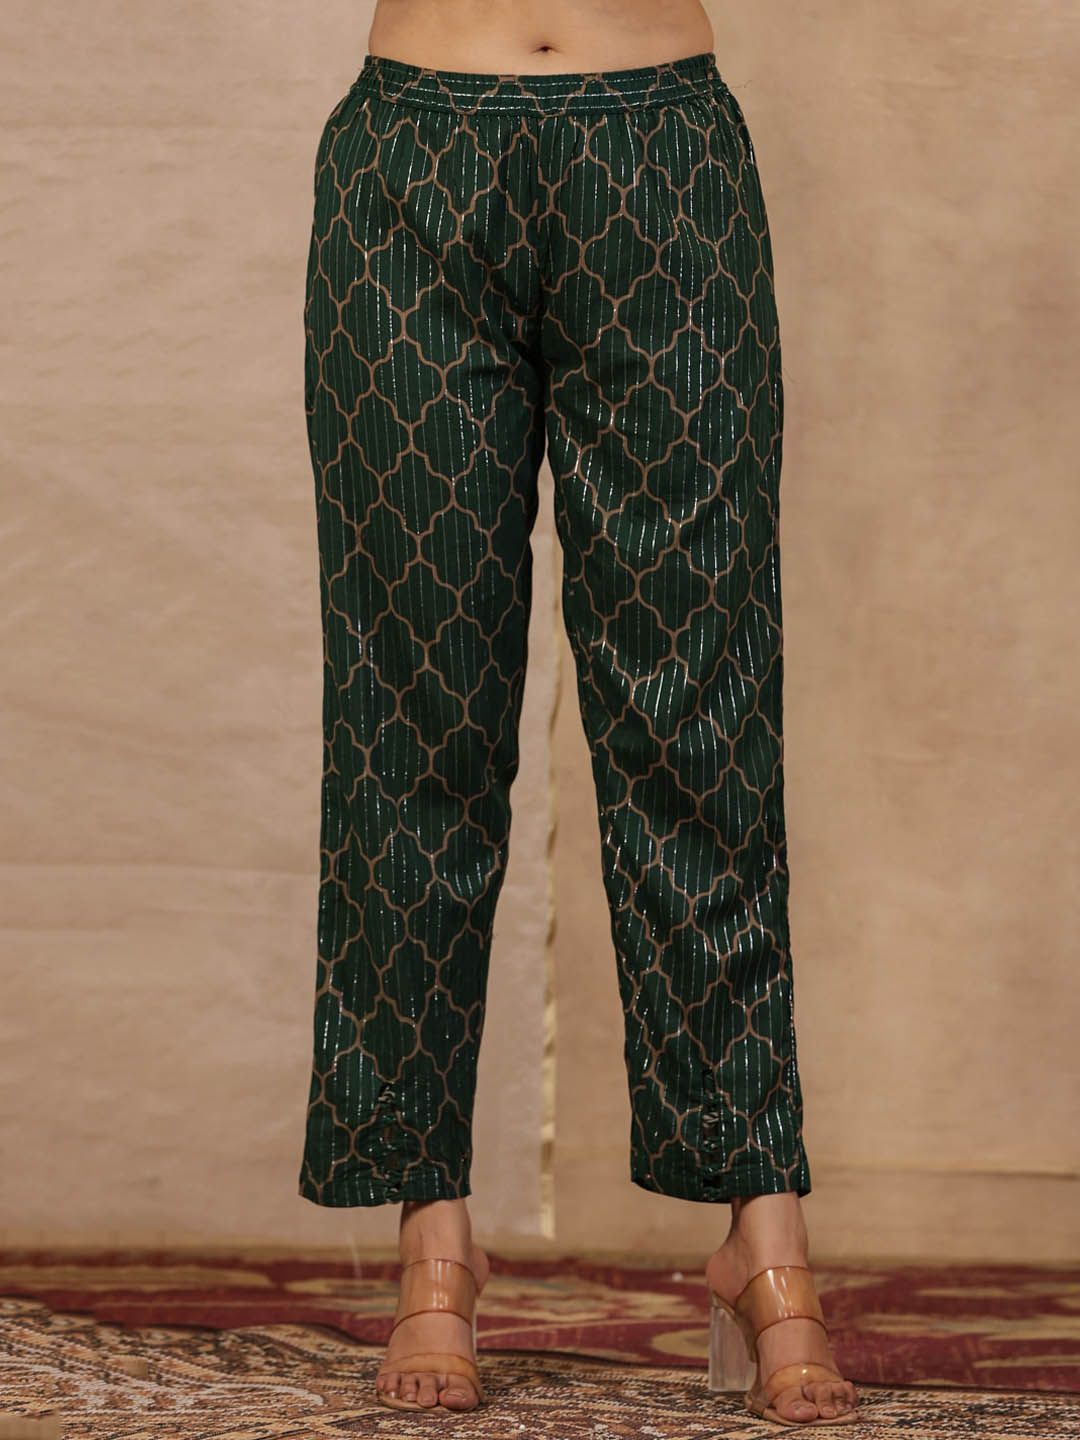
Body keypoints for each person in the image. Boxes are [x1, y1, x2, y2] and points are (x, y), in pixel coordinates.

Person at [299, 0, 860, 1425]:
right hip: (413, 159)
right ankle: (433, 1233)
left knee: (699, 709)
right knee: (414, 709)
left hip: (664, 153)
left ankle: (763, 1230)